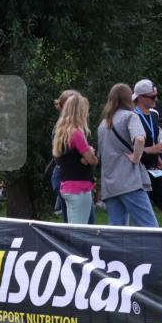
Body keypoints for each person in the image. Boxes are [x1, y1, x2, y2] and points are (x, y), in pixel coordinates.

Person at [97, 83, 158, 227]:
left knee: (117, 231)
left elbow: (101, 155)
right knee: (150, 227)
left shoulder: (103, 124)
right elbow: (139, 139)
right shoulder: (130, 116)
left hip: (110, 184)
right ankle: (153, 250)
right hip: (129, 181)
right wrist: (136, 158)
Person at [133, 79, 162, 228]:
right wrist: (149, 150)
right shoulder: (132, 116)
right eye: (152, 97)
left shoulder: (154, 114)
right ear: (140, 97)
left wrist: (157, 154)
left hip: (154, 170)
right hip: (138, 172)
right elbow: (126, 148)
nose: (156, 99)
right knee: (146, 220)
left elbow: (153, 137)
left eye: (156, 95)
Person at [51, 92, 99, 224]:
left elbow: (67, 158)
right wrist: (90, 152)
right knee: (80, 232)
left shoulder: (62, 132)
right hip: (80, 188)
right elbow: (93, 160)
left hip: (67, 186)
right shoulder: (77, 133)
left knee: (73, 230)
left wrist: (84, 158)